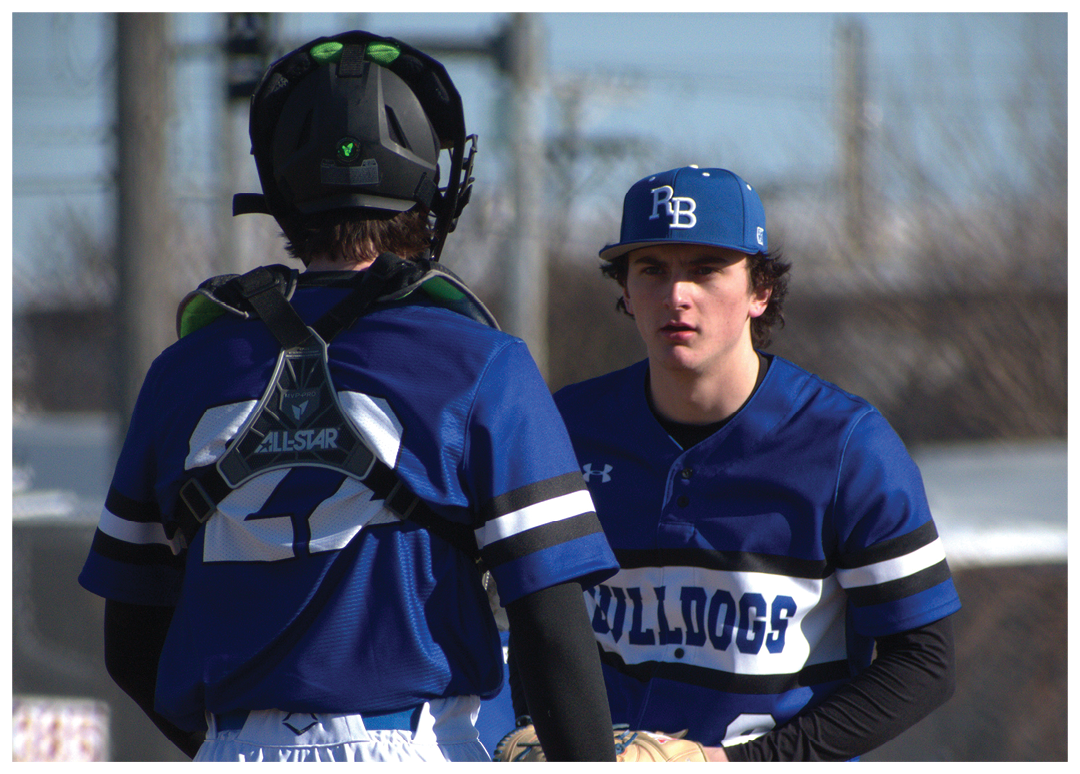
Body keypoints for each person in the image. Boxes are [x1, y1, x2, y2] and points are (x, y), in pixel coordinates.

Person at [78, 30, 619, 763]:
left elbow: (129, 643)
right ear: (433, 187)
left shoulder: (184, 369)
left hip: (234, 749)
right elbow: (552, 627)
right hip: (408, 744)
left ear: (280, 187)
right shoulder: (480, 364)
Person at [551, 165, 961, 761]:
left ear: (759, 290)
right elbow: (529, 618)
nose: (676, 294)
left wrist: (741, 762)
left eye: (706, 268)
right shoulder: (568, 426)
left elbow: (925, 662)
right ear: (625, 290)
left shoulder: (847, 444)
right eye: (652, 269)